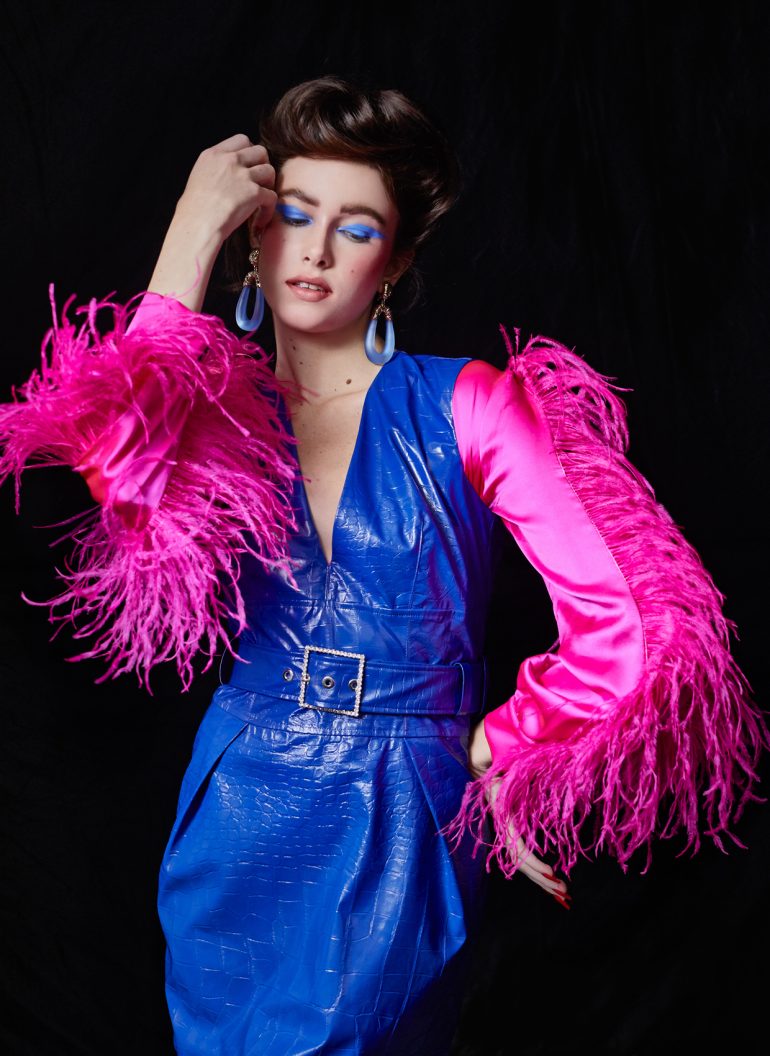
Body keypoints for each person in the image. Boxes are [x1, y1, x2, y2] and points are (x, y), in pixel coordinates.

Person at [0, 76, 766, 1056]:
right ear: (251, 236)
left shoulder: (471, 405)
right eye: (292, 215)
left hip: (399, 807)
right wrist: (187, 236)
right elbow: (116, 460)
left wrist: (505, 748)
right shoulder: (217, 413)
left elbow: (626, 621)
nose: (316, 250)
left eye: (356, 229)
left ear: (394, 263)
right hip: (240, 802)